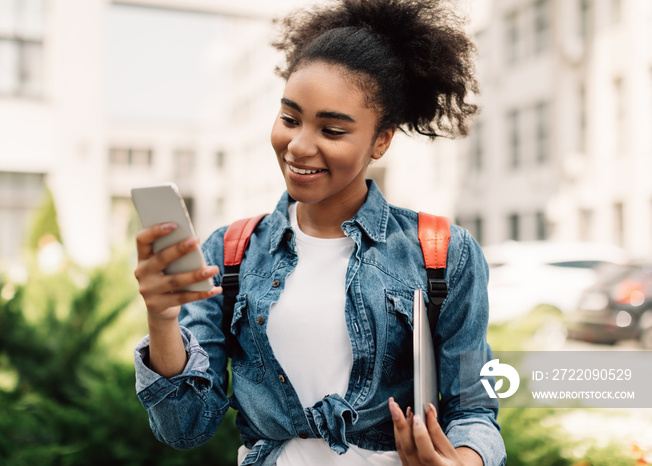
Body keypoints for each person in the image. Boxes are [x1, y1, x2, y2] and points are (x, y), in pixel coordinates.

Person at [133, 0, 506, 465]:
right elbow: (185, 427)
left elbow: (473, 408)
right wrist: (163, 320)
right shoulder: (231, 253)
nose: (299, 145)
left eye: (331, 130)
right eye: (290, 119)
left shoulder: (442, 252)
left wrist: (462, 462)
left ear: (381, 140)